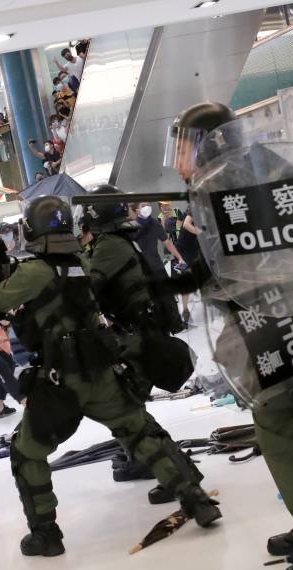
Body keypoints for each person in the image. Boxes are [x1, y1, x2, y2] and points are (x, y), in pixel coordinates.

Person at [0, 195, 221, 557]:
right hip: (103, 371)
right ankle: (197, 501)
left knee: (27, 453)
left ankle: (46, 534)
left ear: (31, 231)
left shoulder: (35, 272)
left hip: (60, 382)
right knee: (140, 433)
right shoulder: (82, 264)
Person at [159, 101, 293, 564]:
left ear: (207, 142)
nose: (180, 158)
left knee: (277, 419)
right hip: (283, 308)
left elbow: (241, 254)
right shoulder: (258, 169)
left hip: (271, 312)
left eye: (185, 145)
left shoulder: (230, 181)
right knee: (282, 419)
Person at [79, 184, 202, 503]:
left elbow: (87, 289)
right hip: (136, 332)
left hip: (138, 337)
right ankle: (143, 460)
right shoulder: (116, 242)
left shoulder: (108, 248)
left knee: (129, 410)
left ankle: (179, 473)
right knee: (130, 407)